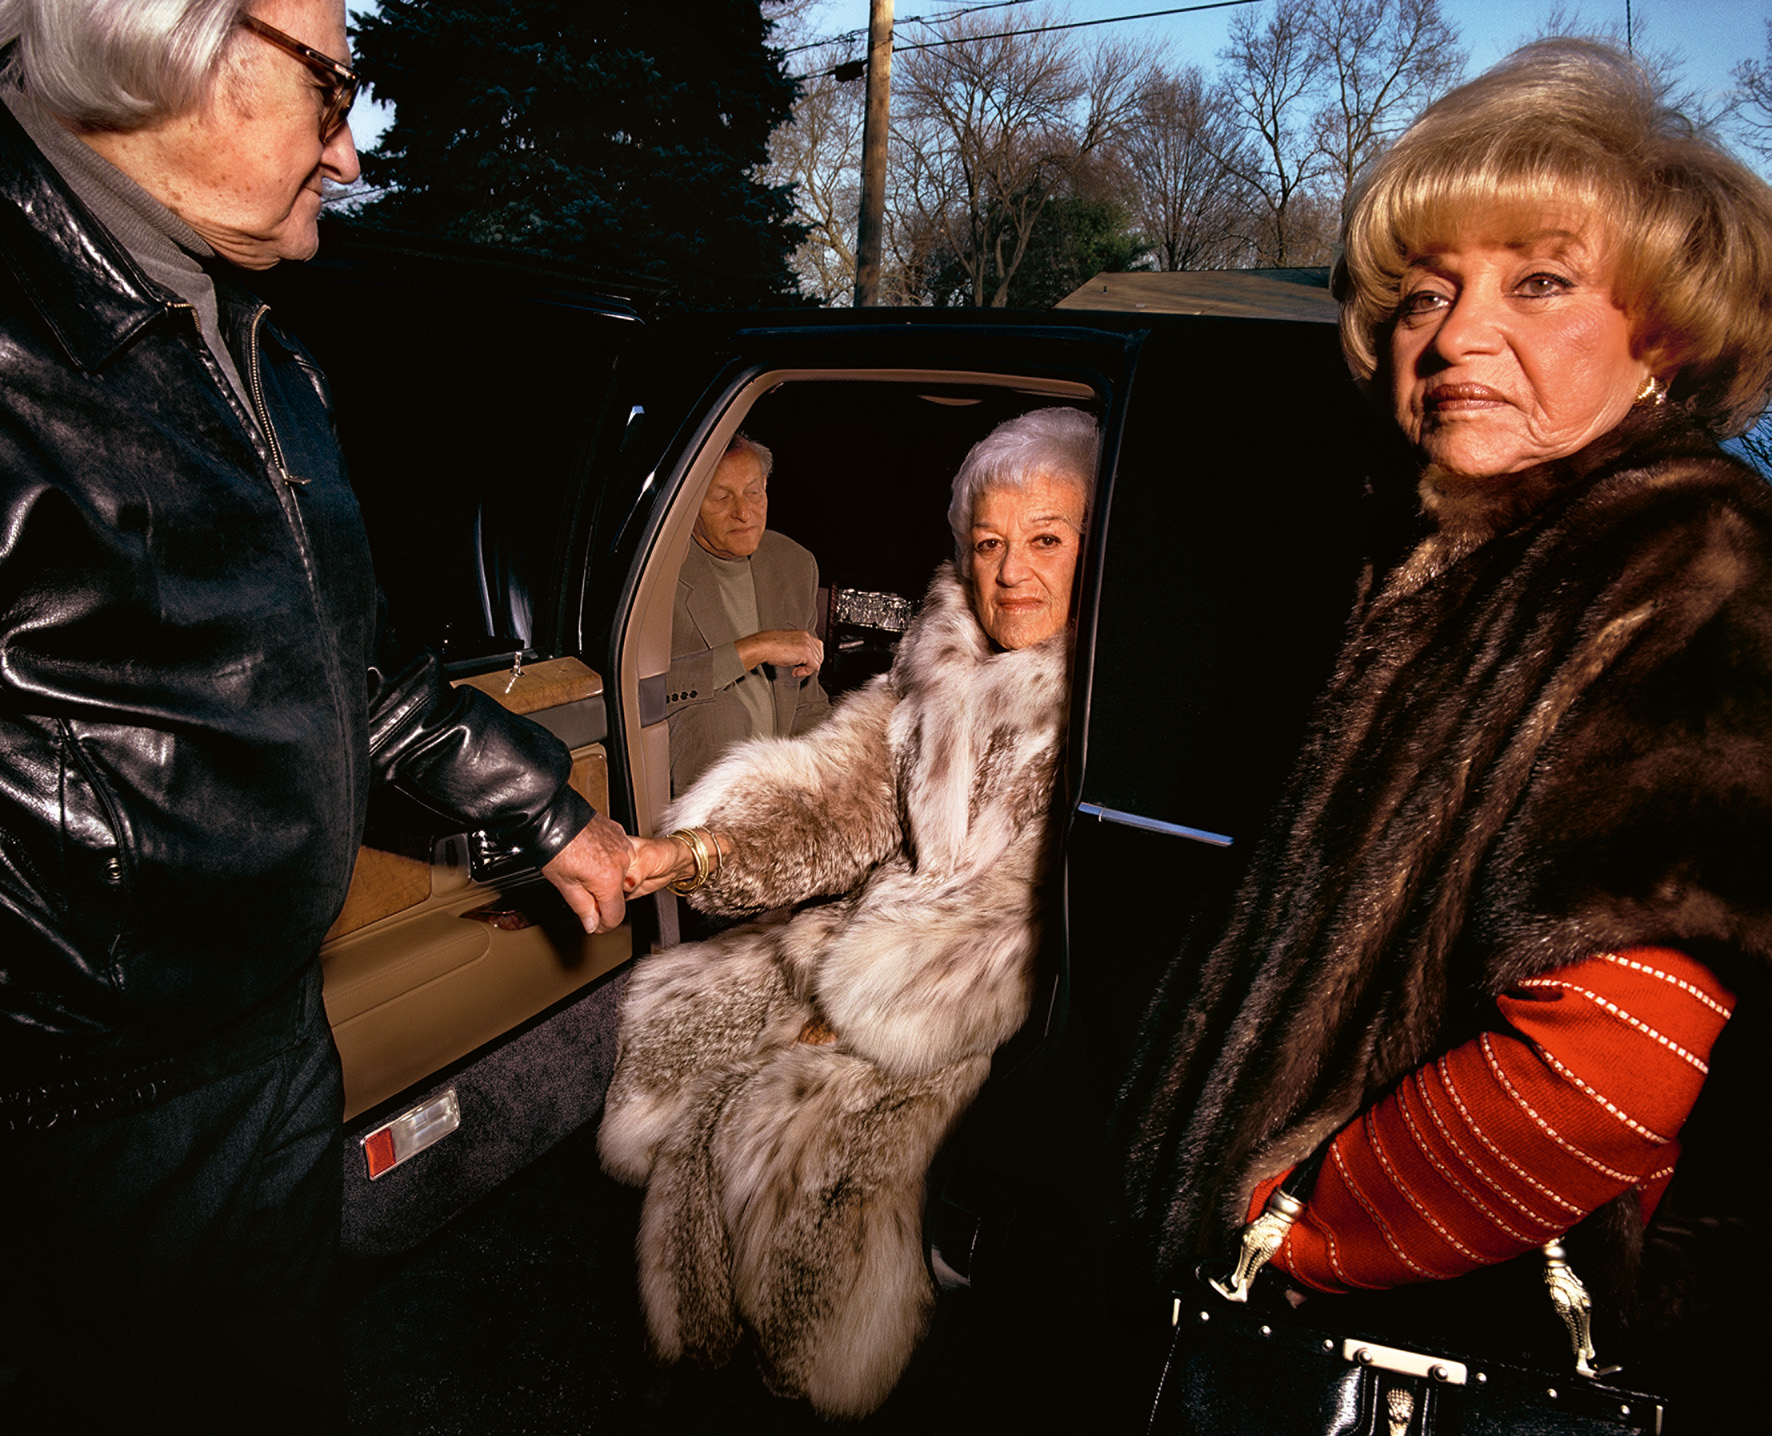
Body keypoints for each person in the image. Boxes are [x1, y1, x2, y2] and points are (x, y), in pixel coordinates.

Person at [1117, 39, 1772, 1433]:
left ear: (1664, 333)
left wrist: (1300, 1232)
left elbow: (1606, 1067)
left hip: (1428, 1347)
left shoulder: (1685, 560)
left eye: (1540, 280)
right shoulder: (1470, 556)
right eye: (1426, 293)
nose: (1456, 336)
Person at [0, 3, 631, 1430]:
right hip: (77, 1117)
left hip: (265, 1053)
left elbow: (359, 676)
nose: (351, 155)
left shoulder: (269, 354)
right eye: (330, 90)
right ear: (165, 42)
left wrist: (557, 820)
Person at [599, 406, 1098, 1418]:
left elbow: (1029, 907)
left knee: (801, 1127)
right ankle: (702, 1350)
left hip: (985, 996)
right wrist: (698, 848)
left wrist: (863, 1006)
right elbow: (841, 785)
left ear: (1097, 545)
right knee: (690, 1032)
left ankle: (813, 1375)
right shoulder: (942, 656)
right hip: (877, 940)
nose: (1009, 575)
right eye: (988, 542)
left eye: (1045, 539)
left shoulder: (1103, 694)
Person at [666, 432, 830, 794]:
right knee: (718, 715)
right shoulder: (658, 573)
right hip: (705, 796)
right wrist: (756, 648)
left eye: (754, 493)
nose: (744, 512)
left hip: (780, 787)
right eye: (722, 498)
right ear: (689, 501)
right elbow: (648, 693)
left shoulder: (795, 564)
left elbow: (806, 704)